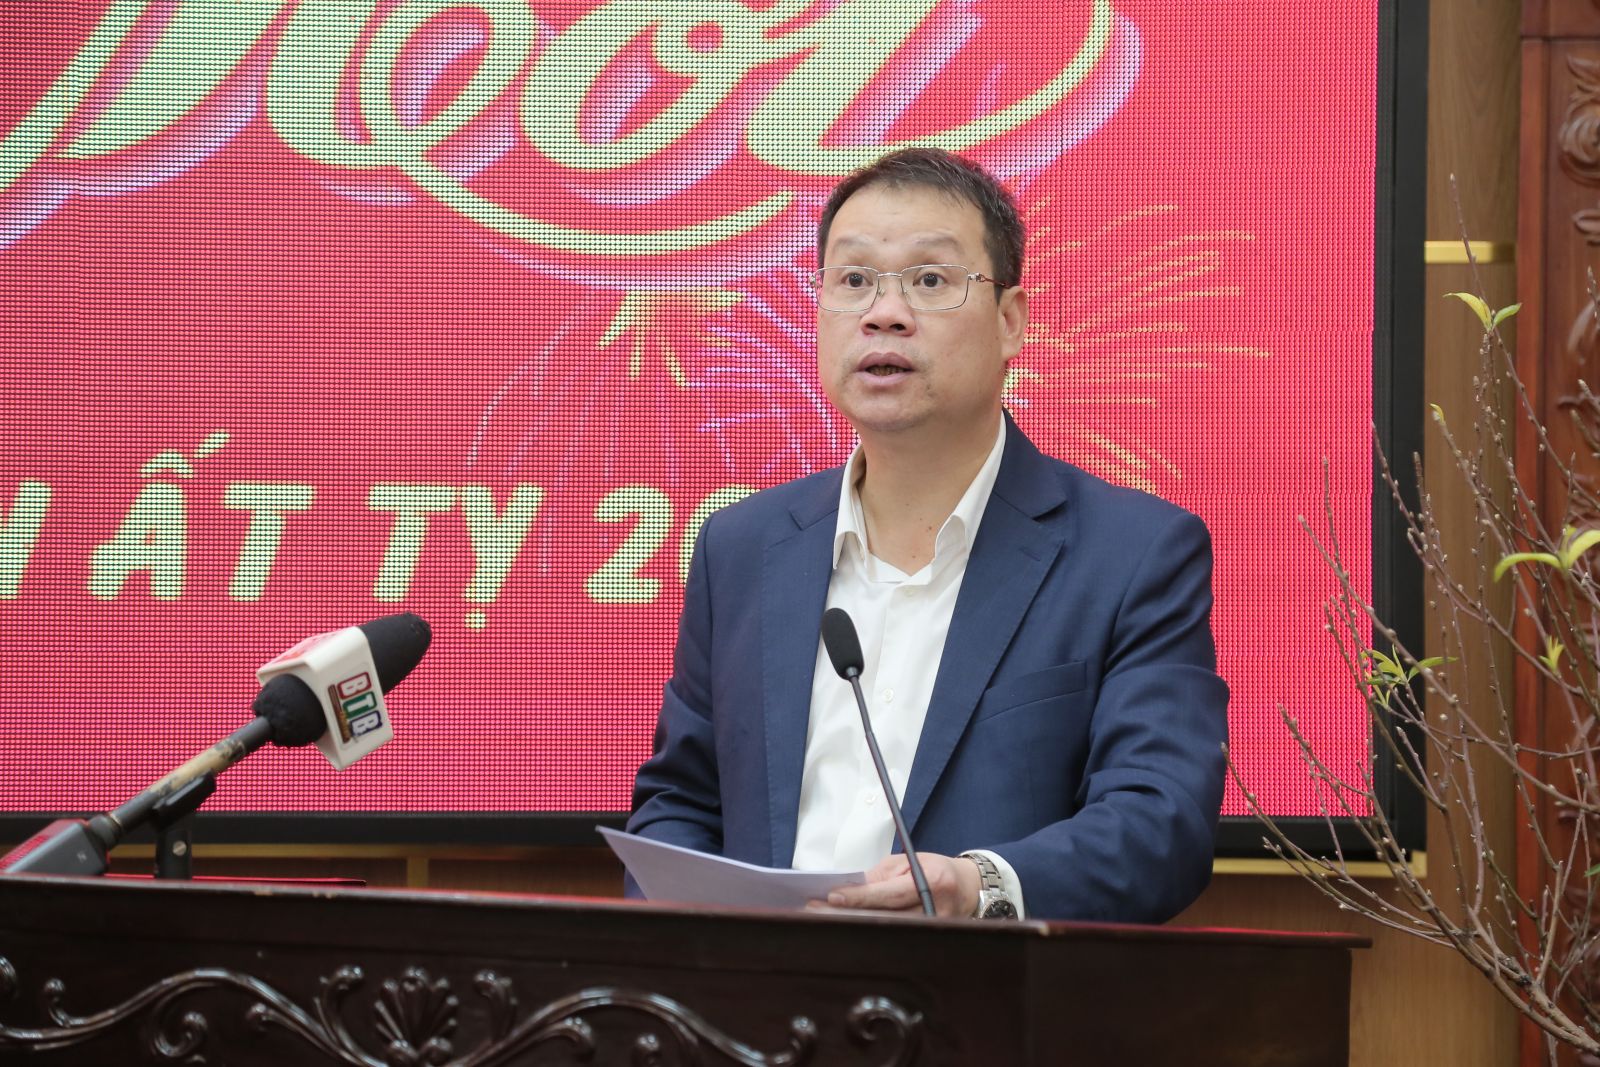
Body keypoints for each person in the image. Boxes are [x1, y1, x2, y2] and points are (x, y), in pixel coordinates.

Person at [626, 147, 1229, 922]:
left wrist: (976, 887)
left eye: (931, 281)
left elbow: (1159, 824)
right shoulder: (740, 549)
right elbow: (680, 802)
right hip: (761, 990)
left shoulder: (1132, 554)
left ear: (1011, 321)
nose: (884, 313)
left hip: (983, 986)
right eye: (853, 280)